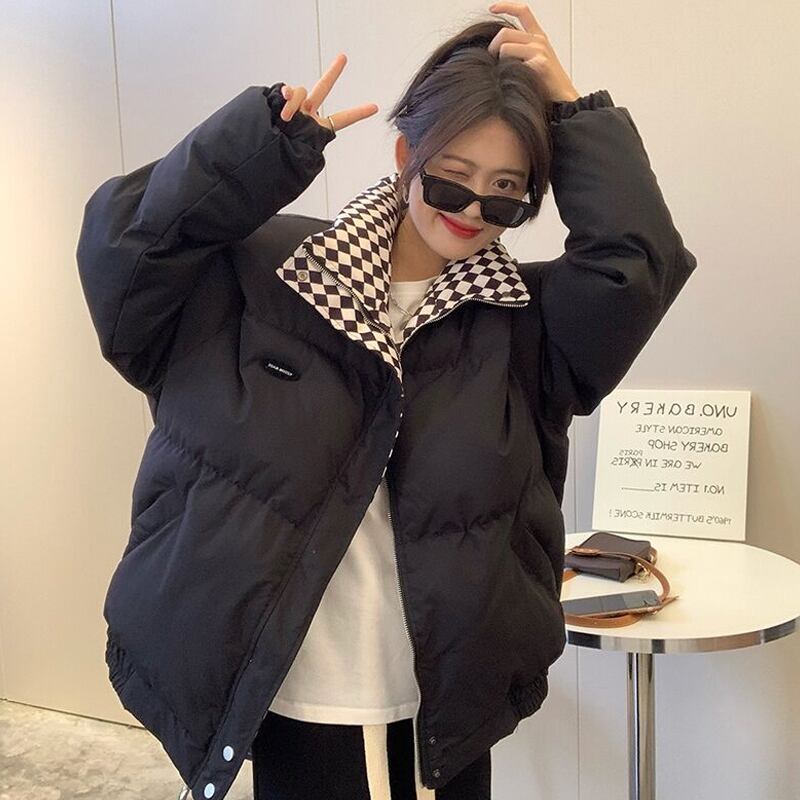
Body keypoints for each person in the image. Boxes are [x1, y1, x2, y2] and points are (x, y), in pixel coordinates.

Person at [76, 4, 697, 800]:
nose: (471, 210)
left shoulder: (526, 327)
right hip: (294, 695)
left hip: (447, 701)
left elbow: (635, 268)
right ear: (407, 154)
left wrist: (575, 114)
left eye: (506, 193)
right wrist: (255, 151)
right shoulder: (267, 278)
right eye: (452, 176)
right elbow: (125, 253)